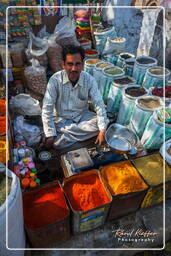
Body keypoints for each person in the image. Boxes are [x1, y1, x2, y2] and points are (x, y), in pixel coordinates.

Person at [42, 45, 109, 150]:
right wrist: (50, 134)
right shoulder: (55, 80)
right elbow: (47, 108)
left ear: (82, 65)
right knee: (55, 140)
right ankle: (72, 138)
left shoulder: (89, 80)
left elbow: (99, 104)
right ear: (63, 64)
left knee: (102, 125)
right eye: (70, 64)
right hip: (61, 119)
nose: (74, 69)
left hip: (82, 117)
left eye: (77, 64)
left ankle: (66, 138)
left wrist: (102, 131)